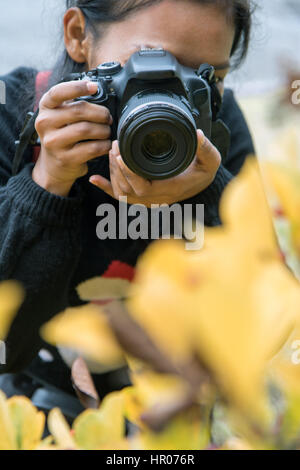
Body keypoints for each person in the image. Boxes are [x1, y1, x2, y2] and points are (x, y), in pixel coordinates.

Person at [0, 0, 255, 421]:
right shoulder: (15, 121)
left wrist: (209, 193)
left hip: (176, 411)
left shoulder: (216, 126)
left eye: (210, 76)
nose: (179, 97)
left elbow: (255, 320)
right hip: (32, 402)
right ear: (79, 35)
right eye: (153, 63)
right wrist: (46, 182)